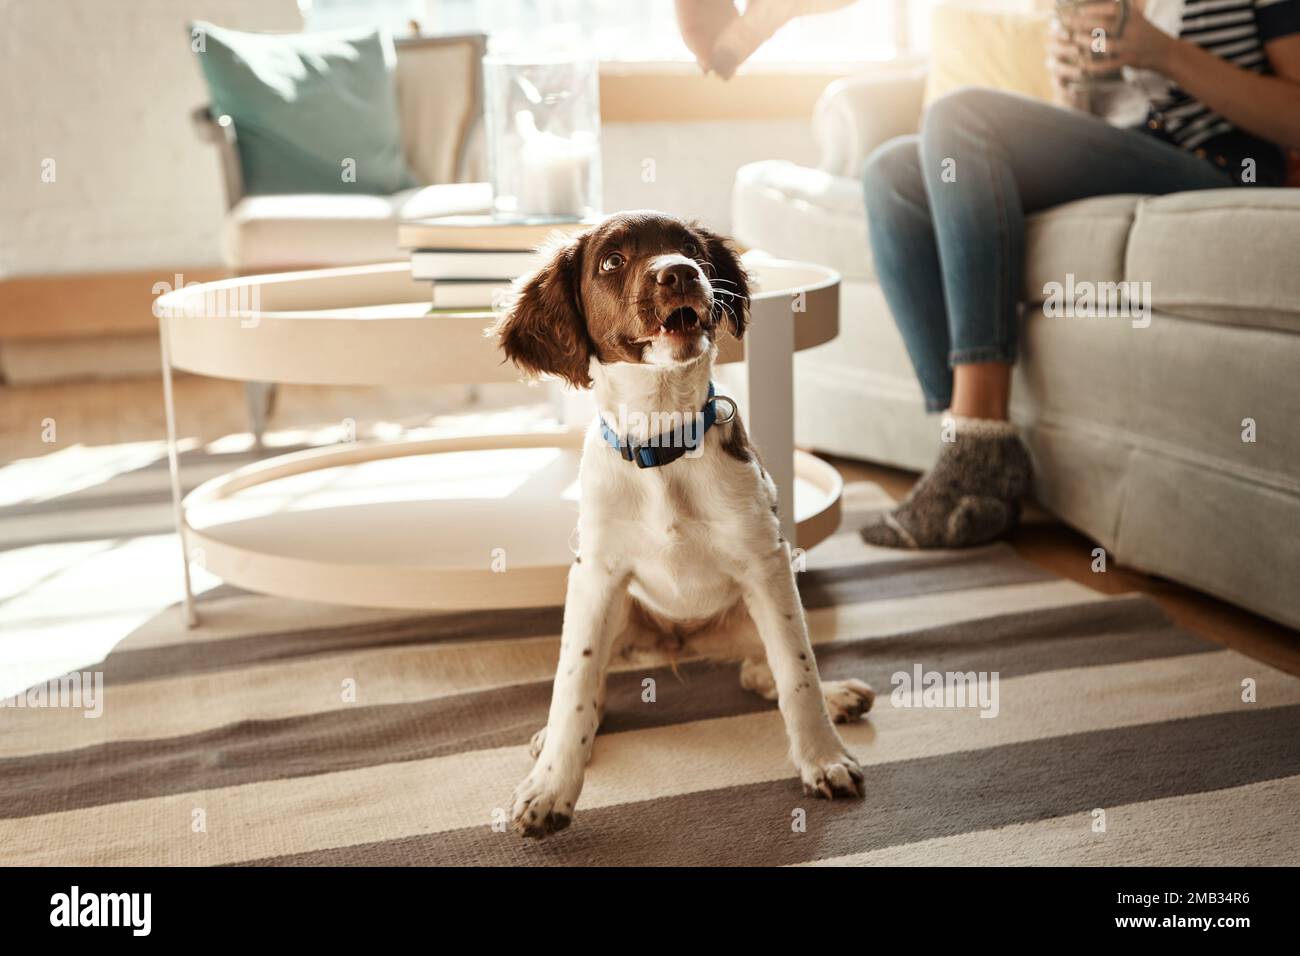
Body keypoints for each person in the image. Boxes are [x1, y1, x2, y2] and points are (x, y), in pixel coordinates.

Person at [858, 0, 1300, 549]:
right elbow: (1086, 128)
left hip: (1219, 166)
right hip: (1124, 156)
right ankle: (965, 446)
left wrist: (1166, 55)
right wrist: (1074, 84)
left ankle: (980, 446)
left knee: (960, 115)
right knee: (892, 174)